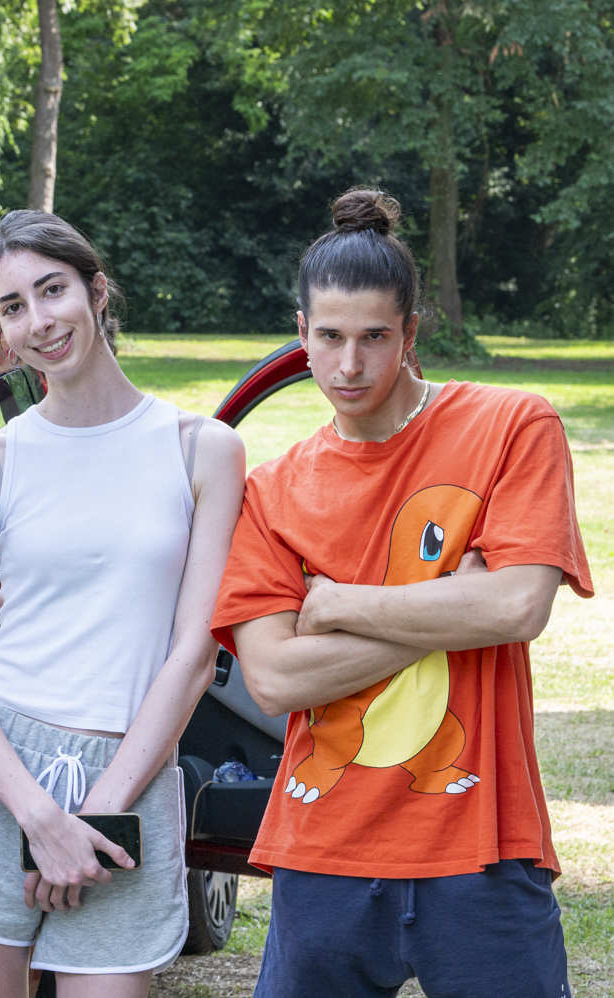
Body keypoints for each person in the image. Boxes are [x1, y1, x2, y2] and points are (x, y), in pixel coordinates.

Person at [211, 188, 594, 998]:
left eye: (375, 338)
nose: (349, 366)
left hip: (483, 841)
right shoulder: (273, 492)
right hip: (324, 847)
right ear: (301, 333)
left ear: (411, 332)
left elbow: (518, 607)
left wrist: (336, 604)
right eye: (330, 337)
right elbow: (274, 678)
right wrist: (453, 605)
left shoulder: (512, 427)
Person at [0, 210, 246, 996]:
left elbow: (193, 657)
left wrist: (95, 817)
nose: (39, 320)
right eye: (13, 306)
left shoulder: (203, 450)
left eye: (52, 290)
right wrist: (41, 820)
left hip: (129, 778)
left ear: (97, 291)